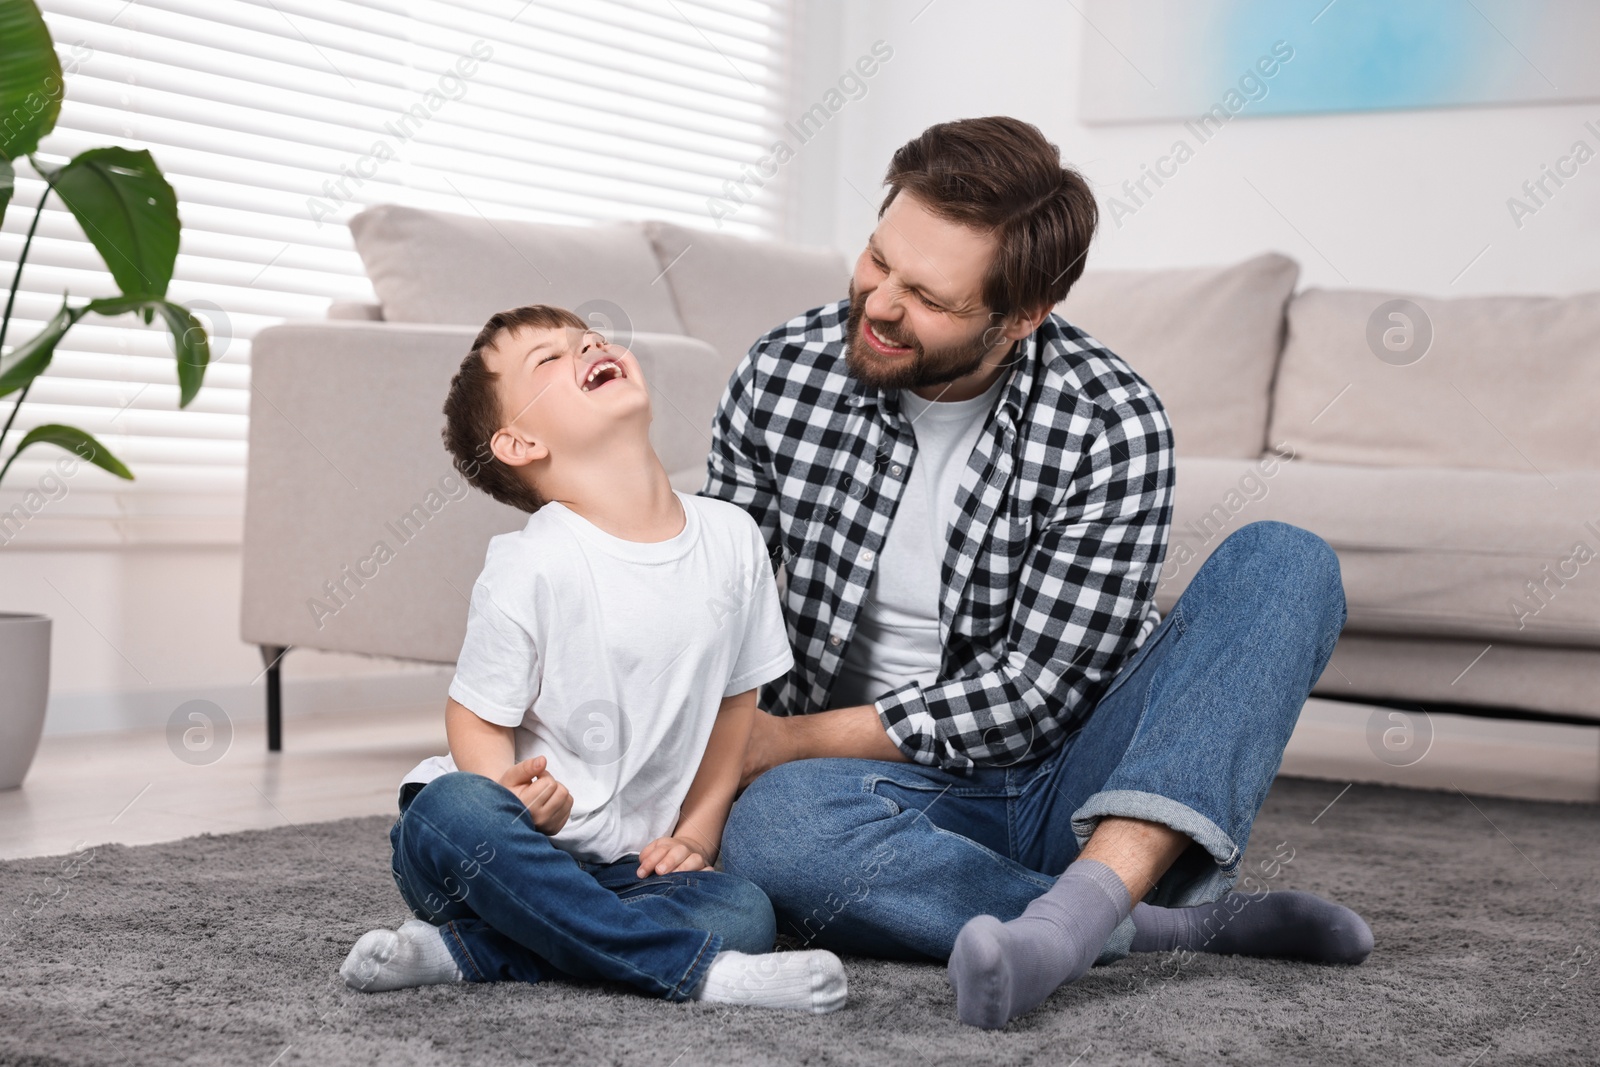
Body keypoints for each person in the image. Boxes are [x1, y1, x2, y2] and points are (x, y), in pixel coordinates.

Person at [703, 116, 1373, 1029]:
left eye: (929, 298)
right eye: (876, 260)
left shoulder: (1111, 420)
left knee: (1287, 562)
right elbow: (718, 599)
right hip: (871, 793)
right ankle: (1144, 924)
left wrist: (789, 739)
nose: (880, 305)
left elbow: (1036, 693)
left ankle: (1081, 902)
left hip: (1071, 780)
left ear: (1022, 319)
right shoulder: (783, 372)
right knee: (775, 832)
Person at [338, 304, 847, 1014]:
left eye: (589, 340)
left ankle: (466, 952)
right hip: (494, 855)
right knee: (446, 808)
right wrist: (508, 797)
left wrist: (698, 831)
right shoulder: (531, 562)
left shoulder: (733, 539)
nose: (589, 346)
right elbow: (474, 715)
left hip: (627, 871)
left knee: (744, 912)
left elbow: (738, 703)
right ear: (517, 443)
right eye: (548, 359)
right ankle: (698, 974)